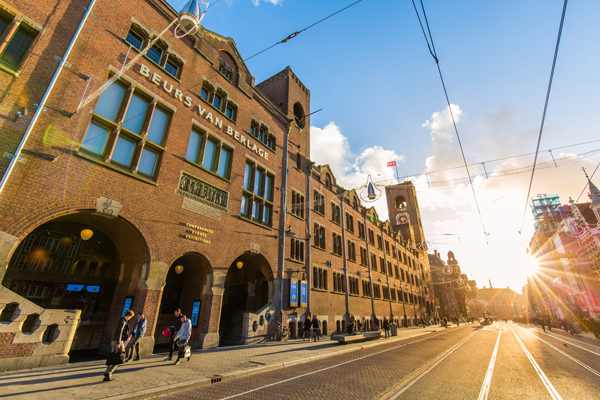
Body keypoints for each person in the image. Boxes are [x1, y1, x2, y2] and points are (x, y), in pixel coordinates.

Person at [103, 310, 134, 382]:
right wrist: (119, 342)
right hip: (118, 341)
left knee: (114, 358)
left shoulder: (120, 320)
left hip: (116, 341)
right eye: (131, 317)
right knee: (120, 357)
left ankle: (107, 373)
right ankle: (109, 372)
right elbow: (120, 332)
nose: (130, 318)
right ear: (128, 316)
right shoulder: (123, 321)